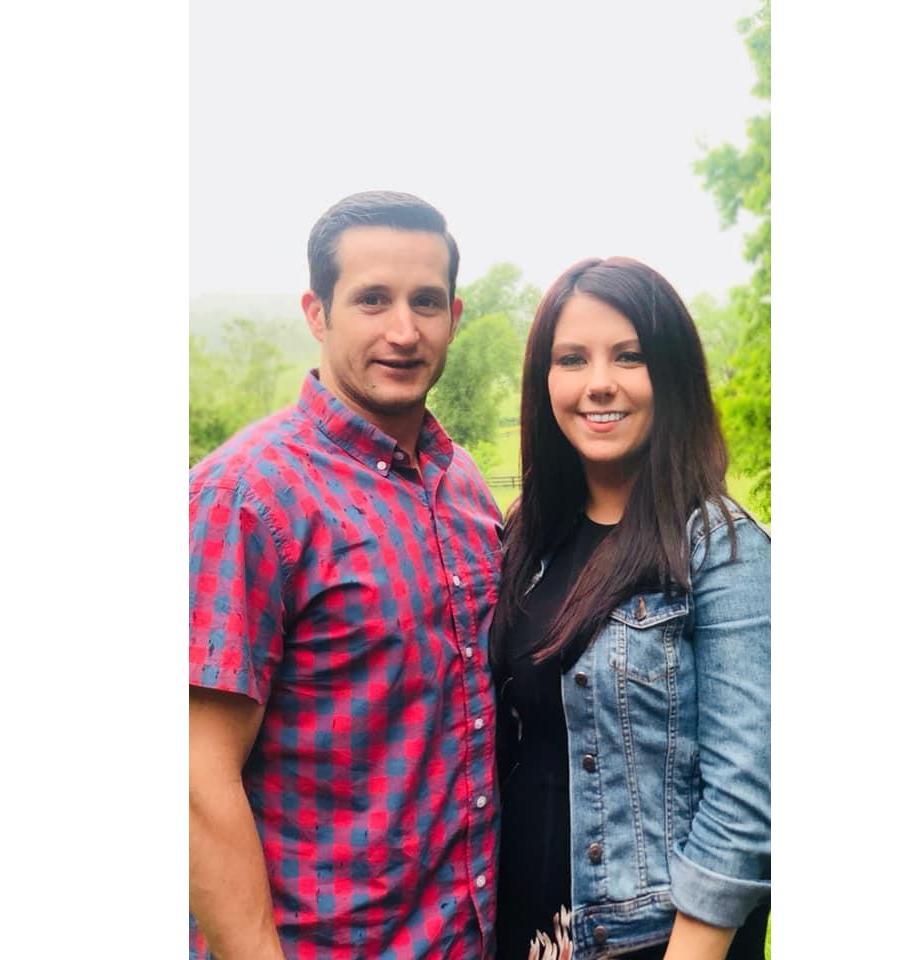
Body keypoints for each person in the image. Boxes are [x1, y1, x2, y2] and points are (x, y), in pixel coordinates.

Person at [189, 191, 502, 960]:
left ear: (454, 316)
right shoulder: (246, 496)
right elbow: (195, 780)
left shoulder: (463, 485)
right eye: (372, 300)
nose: (404, 330)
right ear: (317, 313)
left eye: (426, 301)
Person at [491, 257, 770, 959]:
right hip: (525, 925)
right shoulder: (528, 538)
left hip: (649, 939)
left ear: (671, 374)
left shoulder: (721, 548)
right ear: (545, 380)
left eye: (629, 356)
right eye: (572, 359)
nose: (599, 383)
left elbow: (746, 796)